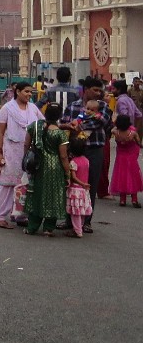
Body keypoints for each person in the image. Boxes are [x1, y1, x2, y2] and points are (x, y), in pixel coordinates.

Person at [59, 76, 111, 233]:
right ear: (86, 90)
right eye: (95, 90)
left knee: (90, 186)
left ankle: (86, 221)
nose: (98, 93)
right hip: (74, 151)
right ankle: (69, 219)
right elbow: (64, 123)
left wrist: (77, 125)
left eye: (100, 90)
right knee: (71, 184)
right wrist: (69, 126)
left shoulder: (103, 107)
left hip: (94, 150)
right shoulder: (73, 106)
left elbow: (101, 122)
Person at [0, 82, 45, 229]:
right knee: (6, 184)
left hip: (29, 152)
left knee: (25, 184)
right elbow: (0, 132)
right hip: (11, 151)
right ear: (18, 91)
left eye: (31, 92)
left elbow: (43, 123)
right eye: (26, 91)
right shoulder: (7, 109)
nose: (29, 94)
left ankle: (20, 214)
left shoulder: (33, 108)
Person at [21, 103, 67, 236]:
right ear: (59, 116)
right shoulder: (60, 133)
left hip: (37, 166)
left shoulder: (34, 127)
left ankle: (32, 227)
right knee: (53, 196)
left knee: (36, 194)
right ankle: (48, 228)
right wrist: (68, 174)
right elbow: (63, 156)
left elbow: (26, 144)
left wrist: (27, 159)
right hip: (55, 168)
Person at [110, 114, 143, 207]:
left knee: (121, 177)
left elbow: (112, 129)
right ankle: (134, 199)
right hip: (131, 158)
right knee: (133, 177)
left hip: (120, 158)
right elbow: (139, 143)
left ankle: (122, 200)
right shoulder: (132, 133)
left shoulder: (116, 132)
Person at [65, 134, 93, 237]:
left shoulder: (73, 162)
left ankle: (77, 231)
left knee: (75, 212)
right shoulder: (86, 160)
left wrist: (81, 183)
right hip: (84, 190)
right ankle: (79, 227)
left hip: (76, 189)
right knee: (81, 211)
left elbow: (74, 177)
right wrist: (85, 184)